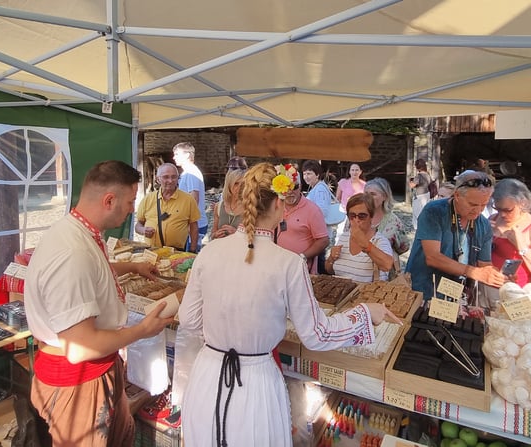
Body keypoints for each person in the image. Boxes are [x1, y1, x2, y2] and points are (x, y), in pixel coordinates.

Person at [171, 162, 401, 447]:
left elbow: (190, 319)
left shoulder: (211, 251)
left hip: (208, 376)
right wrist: (366, 313)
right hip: (254, 384)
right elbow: (318, 334)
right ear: (279, 204)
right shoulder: (289, 263)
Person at [24, 160, 176, 447]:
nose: (133, 209)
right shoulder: (72, 253)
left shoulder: (79, 233)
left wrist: (131, 267)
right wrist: (142, 330)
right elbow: (79, 347)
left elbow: (95, 272)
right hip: (78, 384)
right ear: (109, 200)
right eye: (131, 201)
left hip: (98, 371)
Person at [406, 170, 506, 302]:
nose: (478, 210)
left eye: (483, 204)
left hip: (458, 295)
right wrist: (473, 272)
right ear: (457, 195)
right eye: (473, 204)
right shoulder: (434, 211)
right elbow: (433, 257)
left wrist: (496, 275)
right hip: (424, 292)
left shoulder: (483, 224)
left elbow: (484, 264)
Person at [489, 178, 531, 286]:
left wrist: (522, 247)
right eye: (498, 209)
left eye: (508, 210)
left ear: (522, 203)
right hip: (488, 288)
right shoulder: (493, 219)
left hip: (518, 291)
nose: (502, 214)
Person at [323, 193, 394, 282]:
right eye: (352, 216)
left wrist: (366, 245)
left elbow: (387, 265)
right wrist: (331, 259)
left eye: (362, 216)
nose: (356, 220)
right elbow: (329, 270)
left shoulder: (379, 241)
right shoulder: (344, 237)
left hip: (366, 294)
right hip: (342, 292)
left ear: (371, 217)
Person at [275, 165, 329, 274]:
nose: (290, 192)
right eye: (286, 188)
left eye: (294, 187)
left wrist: (302, 257)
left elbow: (323, 240)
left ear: (300, 187)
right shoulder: (274, 206)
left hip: (300, 270)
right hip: (277, 266)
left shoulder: (312, 210)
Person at [135, 163, 201, 251]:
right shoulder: (148, 199)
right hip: (152, 251)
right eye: (166, 177)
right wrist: (143, 230)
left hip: (177, 253)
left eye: (174, 177)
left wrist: (193, 250)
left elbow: (194, 226)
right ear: (158, 179)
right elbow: (138, 225)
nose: (170, 181)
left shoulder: (188, 200)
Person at [363, 178, 410, 271]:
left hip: (384, 273)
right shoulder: (356, 217)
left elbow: (404, 247)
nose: (368, 197)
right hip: (357, 272)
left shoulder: (393, 221)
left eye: (373, 194)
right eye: (366, 194)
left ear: (384, 196)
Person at [173, 142, 207, 251]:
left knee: (190, 258)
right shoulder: (187, 173)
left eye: (177, 154)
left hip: (194, 225)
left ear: (187, 155)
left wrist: (189, 224)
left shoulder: (191, 173)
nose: (174, 157)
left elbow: (194, 198)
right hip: (192, 224)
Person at [302, 159, 334, 273]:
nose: (306, 177)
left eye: (309, 173)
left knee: (320, 263)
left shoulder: (320, 189)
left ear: (317, 174)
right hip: (316, 232)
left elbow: (322, 211)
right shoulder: (314, 188)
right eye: (304, 174)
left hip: (320, 233)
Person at [210, 167, 245, 240]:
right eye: (236, 184)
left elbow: (256, 239)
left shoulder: (251, 208)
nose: (239, 187)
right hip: (221, 249)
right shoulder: (219, 206)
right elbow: (212, 235)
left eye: (243, 184)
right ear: (229, 185)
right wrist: (215, 235)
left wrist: (236, 233)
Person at [409, 158, 432, 230]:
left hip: (419, 196)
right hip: (427, 194)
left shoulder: (419, 176)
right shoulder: (427, 175)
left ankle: (417, 228)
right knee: (424, 211)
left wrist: (410, 181)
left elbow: (412, 185)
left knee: (417, 212)